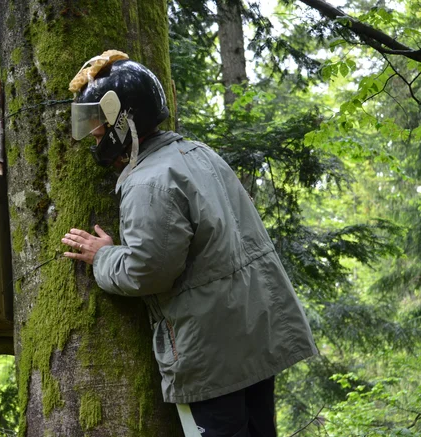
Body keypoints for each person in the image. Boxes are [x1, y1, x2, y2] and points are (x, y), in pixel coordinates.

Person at [61, 50, 318, 437]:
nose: (95, 133)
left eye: (99, 121)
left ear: (124, 120)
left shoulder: (149, 180)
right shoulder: (199, 154)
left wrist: (104, 257)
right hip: (252, 337)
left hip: (212, 354)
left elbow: (147, 270)